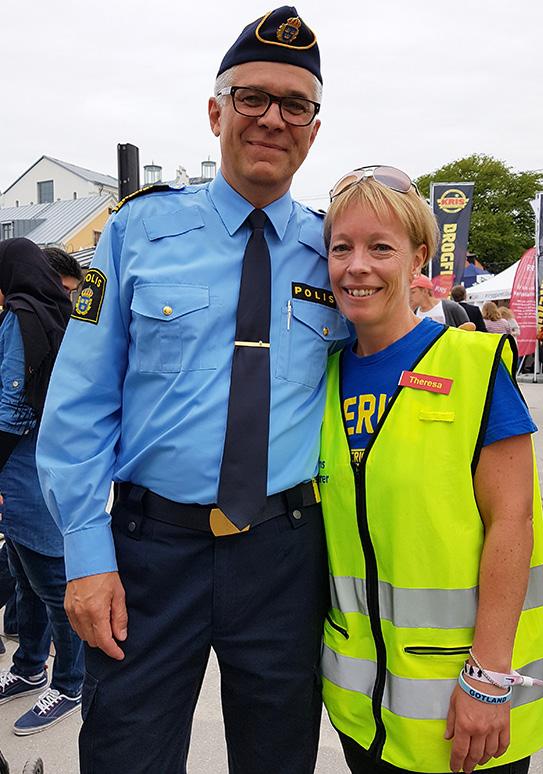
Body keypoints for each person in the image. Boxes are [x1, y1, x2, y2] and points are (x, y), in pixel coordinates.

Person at [37, 8, 345, 773]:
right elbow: (78, 401)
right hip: (147, 555)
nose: (272, 118)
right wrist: (84, 554)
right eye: (252, 97)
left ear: (312, 128)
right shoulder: (133, 234)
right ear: (216, 112)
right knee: (125, 755)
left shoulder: (337, 255)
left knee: (276, 759)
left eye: (294, 104)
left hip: (284, 555)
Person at [317, 166, 543, 773]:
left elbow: (513, 524)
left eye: (380, 247)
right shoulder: (320, 380)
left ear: (419, 257)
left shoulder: (472, 367)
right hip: (360, 712)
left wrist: (487, 678)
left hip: (463, 712)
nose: (357, 265)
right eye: (341, 247)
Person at [0, 238, 84, 734]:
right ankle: (30, 666)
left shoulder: (22, 317)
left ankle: (69, 683)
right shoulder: (52, 314)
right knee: (28, 579)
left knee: (51, 585)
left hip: (26, 476)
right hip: (38, 472)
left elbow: (10, 410)